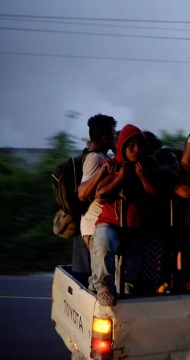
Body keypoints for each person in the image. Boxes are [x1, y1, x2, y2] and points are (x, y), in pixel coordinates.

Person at [90, 124, 159, 306]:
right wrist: (120, 178)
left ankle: (126, 292)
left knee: (131, 273)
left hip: (135, 228)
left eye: (139, 145)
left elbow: (156, 194)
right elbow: (100, 195)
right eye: (131, 145)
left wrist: (143, 177)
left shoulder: (149, 165)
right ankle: (102, 286)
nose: (136, 149)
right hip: (110, 223)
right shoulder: (112, 165)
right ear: (122, 147)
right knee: (104, 243)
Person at [76, 114, 117, 285]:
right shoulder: (95, 158)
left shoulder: (101, 157)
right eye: (114, 135)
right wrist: (102, 172)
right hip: (95, 228)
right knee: (101, 282)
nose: (116, 138)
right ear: (106, 137)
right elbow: (83, 193)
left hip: (99, 226)